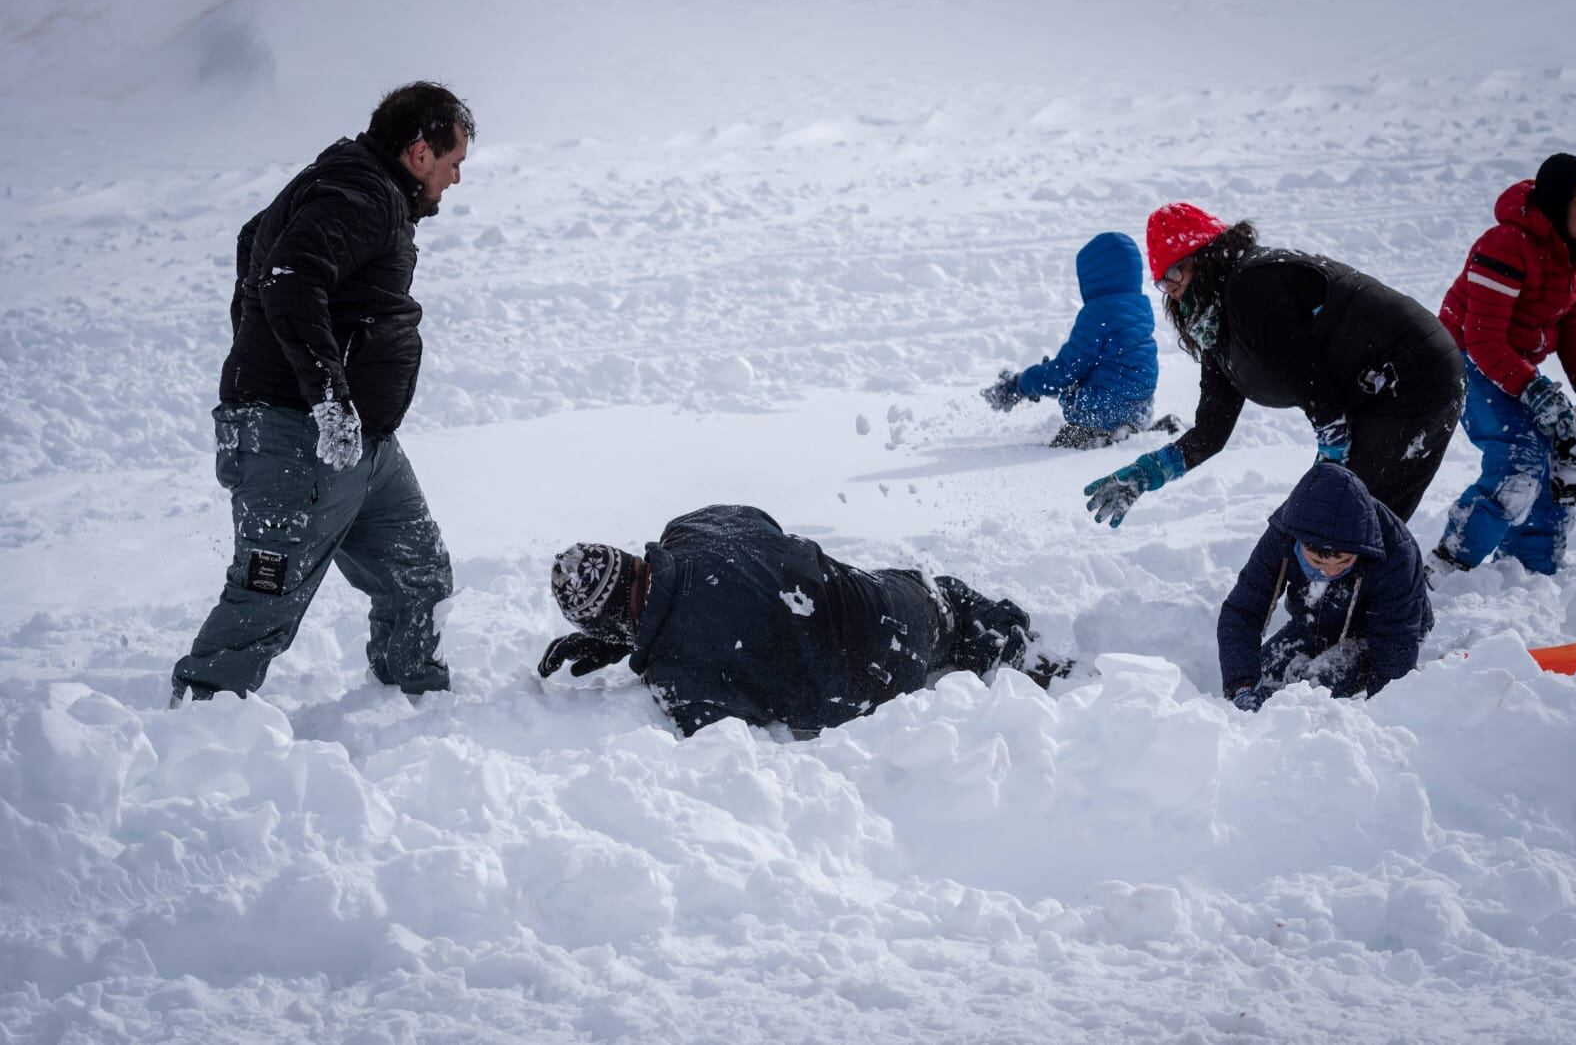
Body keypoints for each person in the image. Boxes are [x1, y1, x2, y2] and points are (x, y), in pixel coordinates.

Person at [171, 82, 475, 705]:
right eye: (453, 164)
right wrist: (325, 397)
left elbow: (254, 238)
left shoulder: (362, 186)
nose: (456, 179)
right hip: (300, 441)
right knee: (264, 599)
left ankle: (414, 703)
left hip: (362, 446)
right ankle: (194, 736)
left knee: (416, 572)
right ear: (420, 152)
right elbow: (287, 274)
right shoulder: (361, 194)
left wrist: (269, 349)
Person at [536, 504, 1070, 738]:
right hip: (895, 603)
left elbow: (724, 737)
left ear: (603, 625)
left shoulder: (679, 679)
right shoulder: (697, 525)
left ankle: (1048, 684)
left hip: (872, 690)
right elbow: (759, 541)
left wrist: (640, 642)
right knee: (946, 602)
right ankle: (1026, 654)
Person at [1084, 203, 1465, 528]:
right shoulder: (1215, 323)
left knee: (1349, 525)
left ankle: (1375, 607)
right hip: (1369, 392)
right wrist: (1150, 472)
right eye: (1162, 282)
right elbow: (1213, 428)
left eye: (1175, 273)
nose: (1172, 288)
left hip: (1412, 377)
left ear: (1204, 256)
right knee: (1324, 524)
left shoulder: (1250, 285)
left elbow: (1309, 373)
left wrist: (1333, 453)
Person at [1429, 153, 1576, 578]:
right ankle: (1449, 567)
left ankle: (1532, 569)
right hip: (1461, 357)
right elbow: (1483, 337)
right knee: (1520, 455)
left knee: (1568, 442)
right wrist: (1534, 389)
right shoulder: (1506, 244)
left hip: (1510, 361)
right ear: (1559, 199)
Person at [1217, 463, 1432, 711]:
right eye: (1318, 563)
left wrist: (1381, 713)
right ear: (1300, 544)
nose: (1329, 571)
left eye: (1343, 562)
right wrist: (1242, 688)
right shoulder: (1284, 533)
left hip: (1377, 633)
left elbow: (1395, 647)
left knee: (1314, 692)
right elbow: (1242, 611)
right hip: (1315, 620)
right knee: (1263, 675)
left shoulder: (1396, 552)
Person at [981, 232, 1178, 448]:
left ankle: (1108, 436)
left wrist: (1022, 385)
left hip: (1099, 416)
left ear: (1093, 276)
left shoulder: (1099, 313)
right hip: (1140, 410)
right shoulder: (1140, 308)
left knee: (1053, 450)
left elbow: (1066, 371)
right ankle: (1138, 431)